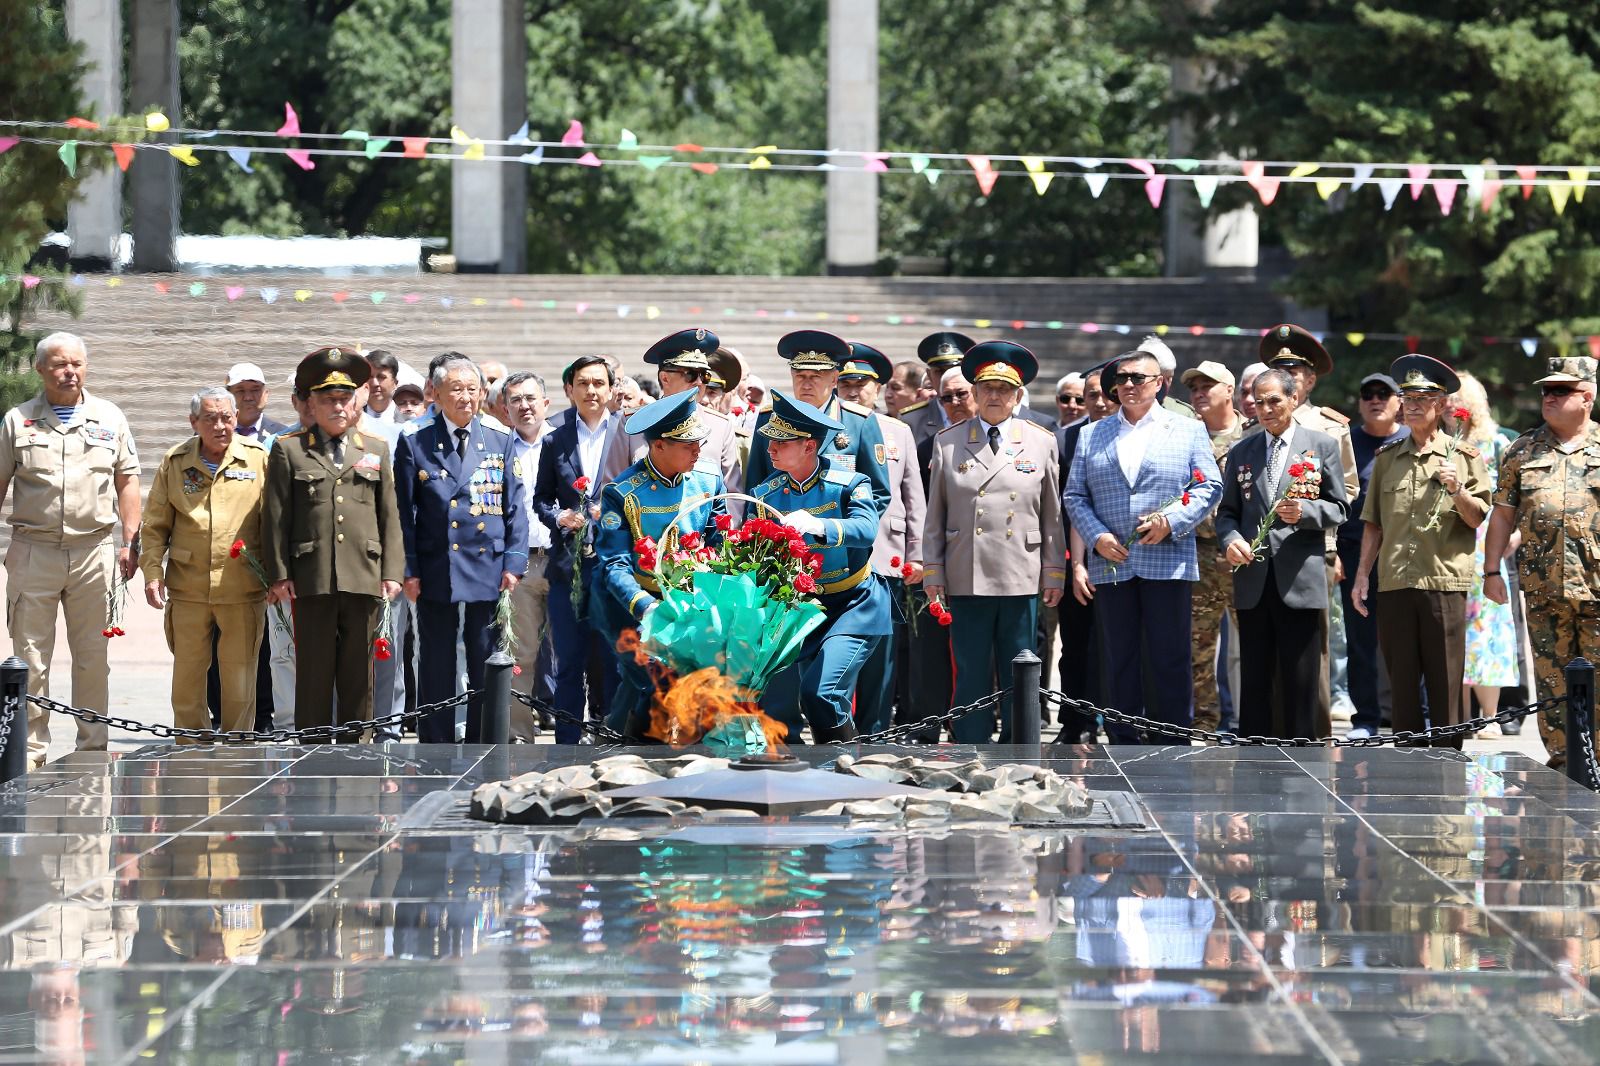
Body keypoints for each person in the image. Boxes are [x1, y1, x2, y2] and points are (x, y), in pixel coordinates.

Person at [1064, 349, 1221, 742]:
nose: (1129, 385)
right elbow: (1074, 497)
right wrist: (1096, 536)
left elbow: (1209, 485)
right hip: (1112, 561)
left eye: (1138, 377)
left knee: (1169, 658)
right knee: (1118, 659)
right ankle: (1123, 742)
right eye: (1123, 378)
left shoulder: (1186, 429)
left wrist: (1172, 521)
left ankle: (1171, 740)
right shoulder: (1090, 433)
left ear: (1159, 384)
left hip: (1168, 558)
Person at [0, 332, 140, 767]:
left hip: (92, 552)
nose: (69, 372)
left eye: (77, 364)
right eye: (60, 364)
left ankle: (91, 748)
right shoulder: (17, 421)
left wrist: (130, 540)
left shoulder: (110, 417)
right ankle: (30, 751)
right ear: (40, 369)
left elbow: (128, 480)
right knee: (30, 658)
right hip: (33, 550)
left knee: (92, 658)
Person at [924, 341, 1066, 742]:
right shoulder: (949, 441)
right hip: (966, 570)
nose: (995, 396)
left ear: (1018, 395)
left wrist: (1054, 572)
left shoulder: (1041, 440)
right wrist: (933, 571)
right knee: (970, 670)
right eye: (987, 388)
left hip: (1020, 570)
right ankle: (970, 745)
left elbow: (1052, 515)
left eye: (1004, 389)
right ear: (974, 392)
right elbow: (936, 514)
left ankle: (1020, 748)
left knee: (1017, 666)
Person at [261, 347, 405, 737]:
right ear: (311, 403)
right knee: (313, 669)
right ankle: (312, 742)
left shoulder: (375, 449)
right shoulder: (289, 449)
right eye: (328, 400)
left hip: (363, 573)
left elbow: (389, 516)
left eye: (344, 399)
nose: (338, 407)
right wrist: (278, 575)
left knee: (360, 670)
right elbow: (275, 518)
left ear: (356, 401)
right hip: (311, 575)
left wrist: (392, 571)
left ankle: (358, 743)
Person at [1353, 355, 1490, 750]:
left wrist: (1456, 490)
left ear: (1442, 404)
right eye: (1407, 397)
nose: (1412, 405)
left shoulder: (1464, 458)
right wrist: (1363, 574)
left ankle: (1448, 763)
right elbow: (1374, 523)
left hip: (1442, 580)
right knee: (1401, 681)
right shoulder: (1386, 460)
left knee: (1445, 680)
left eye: (1423, 397)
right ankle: (1408, 764)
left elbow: (1478, 516)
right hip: (1395, 580)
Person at [394, 355, 527, 743]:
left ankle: (483, 738)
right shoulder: (415, 443)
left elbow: (514, 508)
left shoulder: (500, 441)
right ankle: (435, 740)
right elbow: (404, 511)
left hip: (487, 567)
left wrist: (514, 563)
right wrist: (410, 569)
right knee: (435, 659)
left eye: (473, 389)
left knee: (484, 655)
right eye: (457, 389)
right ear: (436, 394)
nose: (466, 398)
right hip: (437, 566)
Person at [1216, 370, 1348, 738]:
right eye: (1259, 402)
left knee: (1301, 677)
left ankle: (1302, 756)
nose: (1267, 409)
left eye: (1274, 400)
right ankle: (1255, 756)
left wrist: (1306, 513)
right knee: (1255, 675)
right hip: (1253, 577)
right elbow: (1227, 513)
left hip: (1300, 577)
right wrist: (1230, 541)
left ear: (1294, 399)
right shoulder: (1243, 450)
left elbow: (1340, 507)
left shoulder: (1320, 445)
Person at [752, 391, 889, 743]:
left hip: (852, 603)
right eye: (770, 440)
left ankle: (843, 765)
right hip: (801, 607)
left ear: (809, 447)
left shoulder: (849, 484)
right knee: (799, 701)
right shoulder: (765, 494)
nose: (770, 449)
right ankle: (832, 768)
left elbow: (866, 529)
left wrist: (818, 525)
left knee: (820, 693)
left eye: (781, 443)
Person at [1483, 357, 1600, 768]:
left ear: (1586, 397)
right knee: (1552, 682)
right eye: (1546, 391)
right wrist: (1492, 570)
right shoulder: (1521, 450)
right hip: (1543, 589)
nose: (1548, 398)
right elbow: (1502, 514)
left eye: (1560, 391)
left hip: (1597, 588)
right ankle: (1564, 763)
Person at [593, 389, 728, 739]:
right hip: (630, 606)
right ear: (658, 446)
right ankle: (635, 745)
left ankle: (616, 739)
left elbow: (718, 542)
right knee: (657, 677)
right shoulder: (622, 492)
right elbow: (614, 566)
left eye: (699, 442)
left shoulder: (708, 479)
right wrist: (647, 608)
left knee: (654, 683)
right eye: (688, 445)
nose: (698, 450)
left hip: (685, 604)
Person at [138, 387, 271, 739]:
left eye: (227, 417)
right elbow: (154, 526)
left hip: (241, 585)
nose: (220, 425)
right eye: (210, 418)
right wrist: (152, 572)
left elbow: (275, 522)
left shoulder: (258, 459)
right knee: (188, 676)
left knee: (240, 677)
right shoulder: (175, 461)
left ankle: (236, 748)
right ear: (194, 422)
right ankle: (189, 746)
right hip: (189, 586)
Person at [1252, 325, 1359, 737]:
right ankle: (1269, 732)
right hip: (1263, 556)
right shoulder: (1257, 425)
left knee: (1312, 651)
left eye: (1295, 369)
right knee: (1264, 653)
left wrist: (1309, 511)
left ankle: (1311, 732)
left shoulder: (1329, 428)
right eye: (1279, 368)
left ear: (1310, 379)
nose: (1288, 375)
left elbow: (1346, 491)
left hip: (1314, 550)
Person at [534, 355, 622, 742]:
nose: (591, 391)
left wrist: (613, 512)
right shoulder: (555, 437)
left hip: (614, 566)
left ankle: (613, 736)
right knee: (567, 661)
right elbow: (541, 499)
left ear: (610, 389)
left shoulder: (628, 433)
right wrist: (559, 517)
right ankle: (566, 744)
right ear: (569, 390)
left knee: (612, 660)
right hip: (567, 566)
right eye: (583, 383)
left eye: (599, 383)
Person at [839, 343, 925, 734]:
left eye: (863, 383)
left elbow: (913, 499)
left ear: (879, 388)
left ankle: (875, 728)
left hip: (885, 555)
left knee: (881, 649)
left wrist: (917, 555)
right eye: (846, 382)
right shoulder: (828, 426)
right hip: (836, 556)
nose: (854, 390)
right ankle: (837, 726)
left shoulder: (898, 431)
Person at [745, 329, 891, 517]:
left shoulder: (860, 421)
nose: (806, 384)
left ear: (834, 379)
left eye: (815, 376)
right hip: (782, 537)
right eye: (800, 376)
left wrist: (840, 532)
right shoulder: (769, 417)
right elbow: (756, 485)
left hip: (835, 538)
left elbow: (878, 493)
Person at [1452, 371, 1522, 735]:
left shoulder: (1497, 443)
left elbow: (1520, 496)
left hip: (1485, 549)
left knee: (1487, 631)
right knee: (1453, 629)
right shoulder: (1439, 443)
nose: (1449, 405)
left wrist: (1518, 533)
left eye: (1456, 399)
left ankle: (1490, 714)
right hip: (1448, 546)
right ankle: (1459, 715)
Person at [1339, 372, 1408, 740]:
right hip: (1354, 554)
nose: (1376, 400)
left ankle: (1412, 716)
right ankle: (1365, 717)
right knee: (1360, 641)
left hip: (1402, 555)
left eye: (1384, 393)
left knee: (1406, 640)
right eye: (1368, 394)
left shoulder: (1412, 441)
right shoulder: (1346, 443)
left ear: (1399, 401)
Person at [1181, 360, 1246, 732]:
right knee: (1196, 648)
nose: (1200, 393)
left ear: (1229, 391)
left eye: (1208, 386)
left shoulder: (1253, 436)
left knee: (1252, 645)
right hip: (1199, 553)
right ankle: (1203, 724)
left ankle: (1254, 721)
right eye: (1194, 388)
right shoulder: (1184, 436)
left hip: (1242, 555)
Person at [601, 329, 741, 497]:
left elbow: (733, 495)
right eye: (690, 374)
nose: (699, 382)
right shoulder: (632, 421)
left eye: (704, 376)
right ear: (665, 378)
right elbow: (613, 485)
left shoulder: (721, 425)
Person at [502, 371, 556, 740]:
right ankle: (519, 735)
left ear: (546, 403)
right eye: (516, 400)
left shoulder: (563, 442)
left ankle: (573, 730)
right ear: (505, 410)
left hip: (562, 560)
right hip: (520, 565)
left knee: (569, 654)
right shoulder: (500, 446)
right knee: (520, 654)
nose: (525, 406)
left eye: (531, 398)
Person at [895, 332, 974, 460]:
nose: (946, 376)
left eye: (954, 369)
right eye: (939, 371)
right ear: (929, 376)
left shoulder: (984, 412)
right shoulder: (911, 420)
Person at [1136, 335, 1198, 420]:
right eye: (1158, 379)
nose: (1166, 384)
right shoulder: (1121, 409)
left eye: (1169, 378)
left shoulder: (1182, 413)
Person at [226, 362, 289, 441]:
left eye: (255, 390)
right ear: (227, 396)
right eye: (240, 391)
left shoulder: (282, 435)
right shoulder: (216, 434)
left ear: (265, 394)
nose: (248, 398)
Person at [363, 350, 401, 423]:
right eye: (369, 377)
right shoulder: (352, 419)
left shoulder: (408, 421)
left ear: (395, 383)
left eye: (381, 377)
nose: (375, 383)